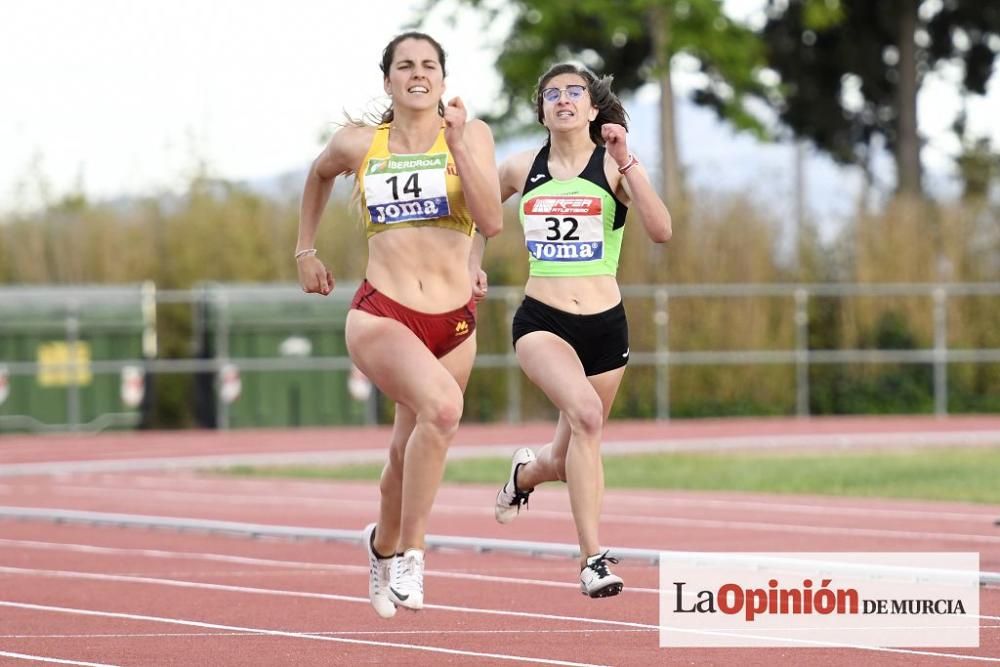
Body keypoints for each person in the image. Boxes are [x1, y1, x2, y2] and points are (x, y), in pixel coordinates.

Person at [295, 31, 501, 617]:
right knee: (442, 411)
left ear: (443, 78)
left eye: (429, 65)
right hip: (382, 312)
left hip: (454, 319)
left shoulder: (471, 134)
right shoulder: (360, 144)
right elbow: (317, 174)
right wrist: (305, 251)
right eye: (405, 65)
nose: (418, 73)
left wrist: (459, 146)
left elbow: (491, 220)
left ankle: (380, 545)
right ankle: (413, 551)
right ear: (387, 80)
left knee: (403, 450)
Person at [491, 63, 671, 598]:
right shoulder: (521, 167)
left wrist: (627, 159)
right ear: (542, 109)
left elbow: (661, 230)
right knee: (588, 418)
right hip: (542, 321)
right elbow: (480, 216)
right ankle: (593, 559)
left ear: (593, 109)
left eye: (576, 92)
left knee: (569, 457)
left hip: (605, 328)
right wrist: (470, 262)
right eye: (553, 93)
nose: (564, 99)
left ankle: (524, 476)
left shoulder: (615, 167)